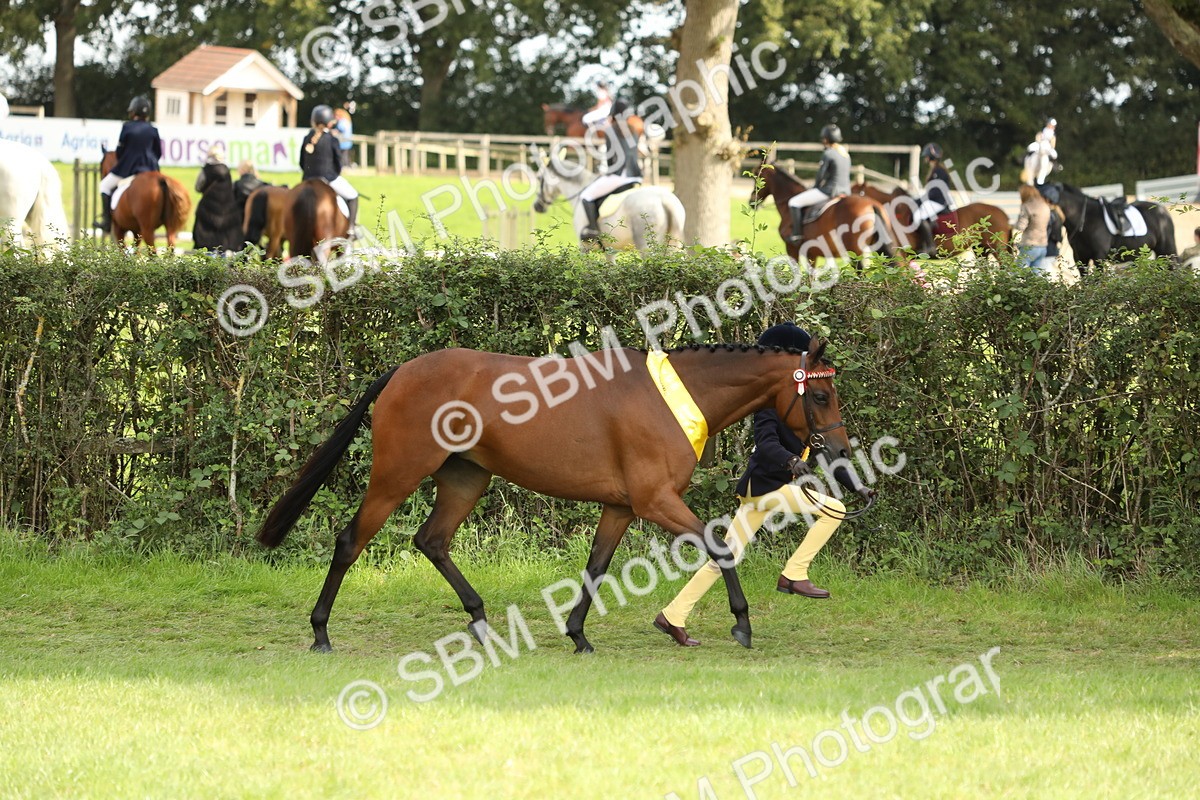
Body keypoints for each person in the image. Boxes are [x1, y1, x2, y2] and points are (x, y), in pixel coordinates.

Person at [654, 323, 875, 647]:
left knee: (723, 559)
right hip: (764, 488)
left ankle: (672, 615)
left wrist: (858, 486)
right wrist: (792, 462)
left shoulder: (804, 414)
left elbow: (830, 458)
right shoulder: (769, 408)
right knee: (834, 509)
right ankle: (794, 574)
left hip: (762, 494)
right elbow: (766, 444)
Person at [95, 95, 163, 231]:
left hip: (128, 169)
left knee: (104, 186)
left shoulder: (127, 127)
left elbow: (120, 151)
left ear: (133, 112)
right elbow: (158, 152)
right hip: (151, 170)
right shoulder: (153, 129)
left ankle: (107, 222)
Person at [578, 98, 642, 240]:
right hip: (636, 175)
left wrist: (605, 173)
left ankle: (593, 230)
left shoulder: (611, 130)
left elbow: (610, 158)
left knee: (586, 196)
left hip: (620, 176)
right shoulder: (634, 130)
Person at [785, 124, 851, 245]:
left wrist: (814, 187)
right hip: (846, 192)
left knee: (793, 202)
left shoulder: (828, 153)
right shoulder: (845, 154)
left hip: (830, 191)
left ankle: (797, 235)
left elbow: (821, 176)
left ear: (825, 139)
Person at [299, 103, 358, 235]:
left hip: (307, 180)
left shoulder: (306, 138)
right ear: (329, 123)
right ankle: (351, 228)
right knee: (353, 195)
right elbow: (338, 164)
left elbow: (302, 163)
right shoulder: (332, 140)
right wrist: (334, 175)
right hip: (328, 179)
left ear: (313, 121)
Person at [912, 143, 955, 254]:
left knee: (918, 217)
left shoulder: (939, 171)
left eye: (926, 156)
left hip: (939, 202)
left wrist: (920, 200)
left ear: (931, 157)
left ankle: (931, 246)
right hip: (935, 200)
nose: (925, 158)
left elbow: (936, 192)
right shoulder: (935, 170)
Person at [1014, 184, 1050, 270]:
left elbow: (1021, 226)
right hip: (1043, 245)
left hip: (1029, 244)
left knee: (1015, 272)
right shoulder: (1045, 205)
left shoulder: (1027, 206)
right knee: (1035, 276)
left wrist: (1012, 225)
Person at [334, 103, 354, 168]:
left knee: (342, 157)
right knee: (346, 157)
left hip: (342, 142)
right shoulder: (347, 121)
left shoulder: (342, 121)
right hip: (347, 142)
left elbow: (340, 129)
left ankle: (344, 168)